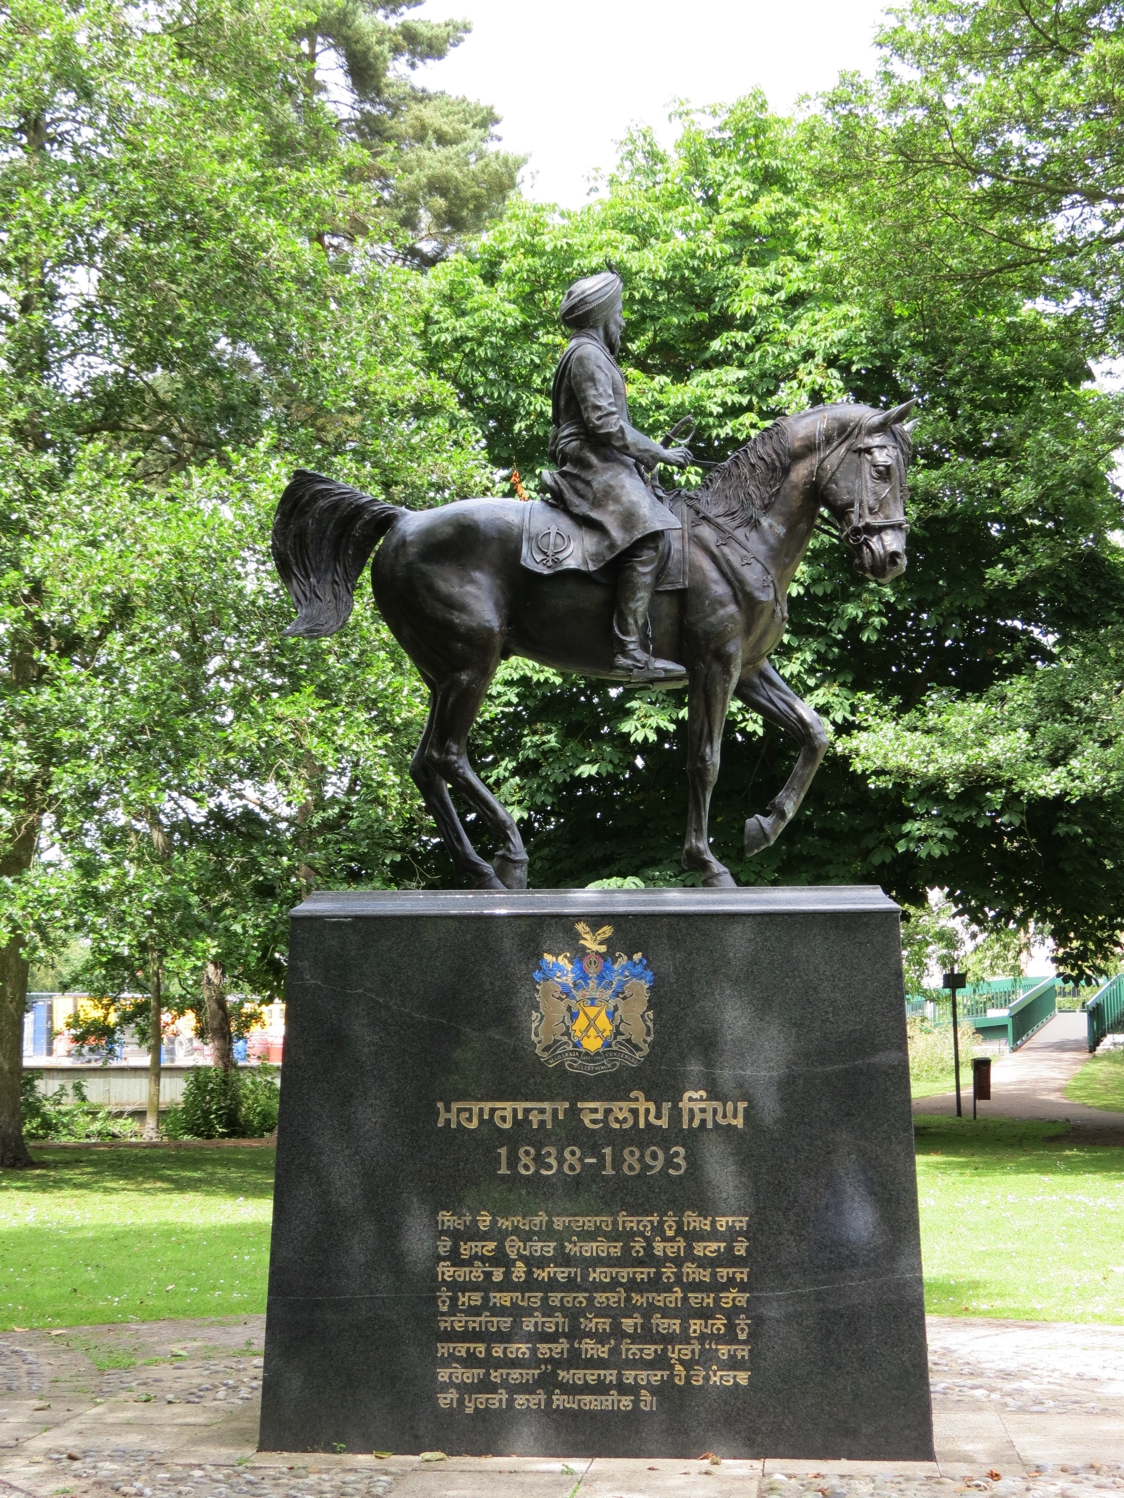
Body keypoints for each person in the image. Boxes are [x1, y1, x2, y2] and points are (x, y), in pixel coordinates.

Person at [541, 271, 692, 682]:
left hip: (602, 455)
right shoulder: (587, 353)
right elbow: (604, 423)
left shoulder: (589, 353)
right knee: (648, 539)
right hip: (590, 458)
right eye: (620, 313)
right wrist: (657, 452)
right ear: (604, 315)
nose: (623, 322)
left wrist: (645, 461)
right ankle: (628, 650)